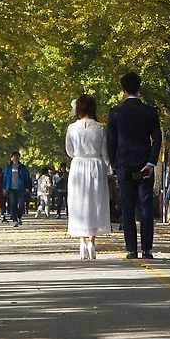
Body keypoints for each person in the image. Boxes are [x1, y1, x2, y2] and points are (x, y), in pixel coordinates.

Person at [107, 71, 162, 260]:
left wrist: (114, 165)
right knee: (146, 206)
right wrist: (151, 162)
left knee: (127, 207)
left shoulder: (115, 112)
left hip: (123, 164)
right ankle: (147, 249)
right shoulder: (151, 112)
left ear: (123, 89)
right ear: (139, 88)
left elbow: (112, 141)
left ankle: (131, 249)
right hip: (144, 164)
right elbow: (157, 139)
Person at [65, 95, 112, 259]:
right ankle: (92, 241)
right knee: (95, 201)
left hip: (78, 165)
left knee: (79, 202)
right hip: (95, 165)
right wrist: (110, 170)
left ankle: (82, 241)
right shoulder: (100, 128)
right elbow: (105, 153)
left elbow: (69, 151)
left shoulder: (72, 128)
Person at [2, 152, 32, 227]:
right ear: (11, 158)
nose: (15, 158)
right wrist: (4, 188)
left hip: (20, 189)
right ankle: (14, 220)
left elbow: (27, 178)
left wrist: (27, 187)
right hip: (11, 189)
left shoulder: (22, 168)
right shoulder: (8, 167)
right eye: (14, 156)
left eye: (17, 156)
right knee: (12, 204)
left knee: (21, 204)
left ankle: (19, 216)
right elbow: (5, 178)